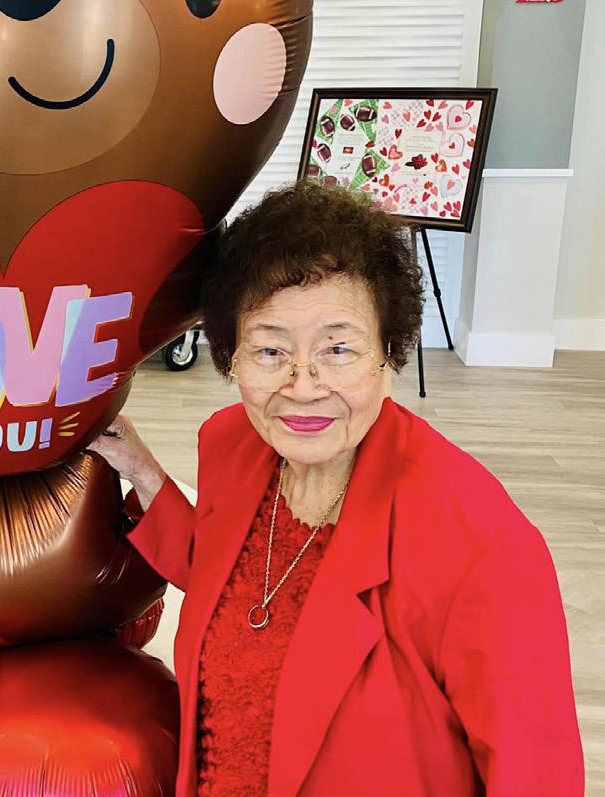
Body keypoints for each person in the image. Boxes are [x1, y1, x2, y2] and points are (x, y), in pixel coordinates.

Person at [89, 181, 584, 797]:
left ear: (389, 353)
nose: (304, 386)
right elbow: (231, 579)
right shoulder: (233, 446)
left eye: (339, 348)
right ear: (231, 357)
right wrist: (140, 469)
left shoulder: (483, 548)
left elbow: (535, 772)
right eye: (270, 350)